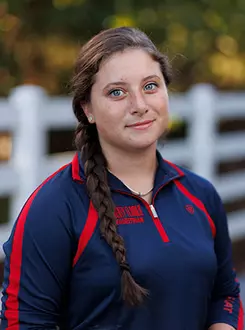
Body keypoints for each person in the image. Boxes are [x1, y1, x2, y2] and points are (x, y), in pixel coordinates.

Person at [0, 26, 244, 330]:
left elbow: (225, 294)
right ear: (87, 108)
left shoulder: (201, 194)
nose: (139, 105)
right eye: (117, 92)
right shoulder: (54, 208)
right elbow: (23, 323)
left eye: (151, 86)